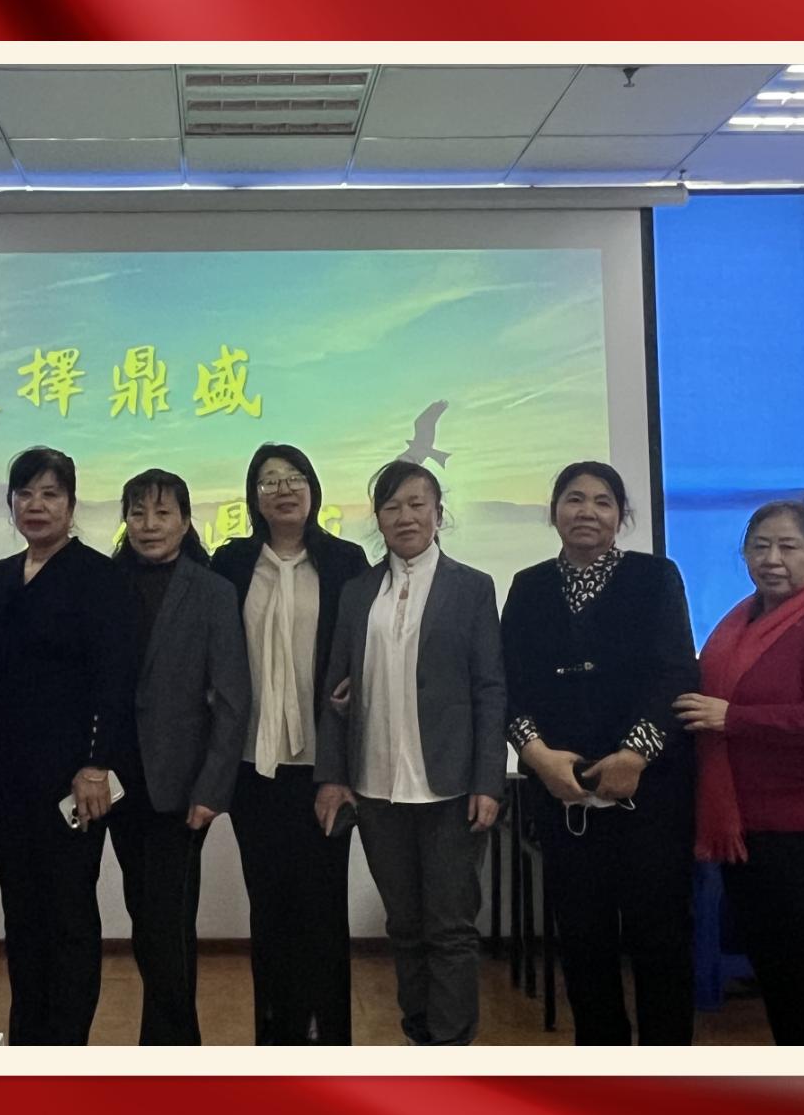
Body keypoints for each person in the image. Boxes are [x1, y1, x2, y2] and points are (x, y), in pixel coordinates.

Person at [501, 461, 699, 1045]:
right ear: (554, 512)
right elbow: (509, 685)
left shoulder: (655, 577)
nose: (587, 511)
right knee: (583, 942)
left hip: (649, 790)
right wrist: (538, 756)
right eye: (574, 499)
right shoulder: (529, 586)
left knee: (660, 939)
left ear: (620, 516)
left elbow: (675, 673)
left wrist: (634, 755)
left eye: (603, 501)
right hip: (562, 793)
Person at [315, 461, 505, 1047]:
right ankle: (418, 1039)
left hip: (449, 786)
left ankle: (450, 1049)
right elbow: (335, 691)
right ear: (377, 518)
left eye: (418, 504)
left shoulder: (471, 587)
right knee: (403, 925)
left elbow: (489, 689)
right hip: (376, 787)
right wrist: (333, 775)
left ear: (438, 513)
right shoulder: (356, 593)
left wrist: (488, 781)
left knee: (450, 927)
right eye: (392, 506)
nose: (406, 517)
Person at [677, 500, 804, 1046]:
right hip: (747, 826)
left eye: (788, 546)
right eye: (759, 547)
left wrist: (732, 718)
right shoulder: (739, 620)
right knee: (776, 975)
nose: (772, 559)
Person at [210, 444, 371, 1045]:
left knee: (324, 913)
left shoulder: (345, 562)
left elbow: (364, 652)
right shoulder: (231, 564)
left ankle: (330, 1048)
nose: (283, 490)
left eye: (295, 478)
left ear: (313, 489)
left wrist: (343, 762)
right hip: (254, 767)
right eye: (269, 481)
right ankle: (275, 1047)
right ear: (253, 497)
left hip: (324, 769)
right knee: (270, 912)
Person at [0, 446, 136, 1045]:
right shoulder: (0, 576)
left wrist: (96, 765)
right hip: (3, 779)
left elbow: (114, 681)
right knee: (20, 912)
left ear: (71, 505)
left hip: (72, 780)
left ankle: (67, 1049)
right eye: (25, 494)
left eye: (50, 494)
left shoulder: (99, 576)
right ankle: (27, 1044)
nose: (36, 505)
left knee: (68, 913)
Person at [106, 468, 250, 1044]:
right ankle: (166, 1048)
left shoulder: (213, 591)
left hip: (183, 788)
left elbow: (232, 700)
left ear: (186, 522)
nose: (149, 525)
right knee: (144, 916)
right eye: (138, 512)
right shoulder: (107, 584)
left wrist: (212, 789)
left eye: (163, 513)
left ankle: (173, 1052)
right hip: (117, 784)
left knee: (168, 922)